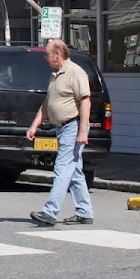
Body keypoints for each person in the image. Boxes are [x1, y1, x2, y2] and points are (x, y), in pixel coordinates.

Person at [27, 39, 94, 227]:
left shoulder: (75, 73)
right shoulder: (55, 75)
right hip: (61, 128)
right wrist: (34, 126)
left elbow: (85, 102)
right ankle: (84, 212)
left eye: (47, 54)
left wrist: (82, 131)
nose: (46, 58)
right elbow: (47, 103)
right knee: (74, 172)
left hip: (73, 126)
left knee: (62, 168)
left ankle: (50, 212)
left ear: (58, 54)